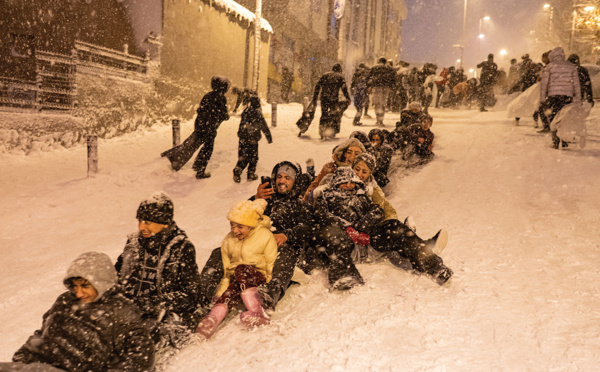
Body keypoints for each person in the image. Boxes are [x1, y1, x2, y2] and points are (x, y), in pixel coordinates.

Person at [197, 161, 314, 314]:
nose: (282, 181)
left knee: (287, 252)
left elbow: (308, 228)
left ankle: (268, 295)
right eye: (279, 177)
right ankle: (200, 295)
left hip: (278, 251)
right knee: (219, 252)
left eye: (288, 178)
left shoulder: (300, 205)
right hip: (254, 248)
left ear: (295, 182)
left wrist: (286, 235)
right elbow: (242, 217)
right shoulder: (266, 200)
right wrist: (256, 198)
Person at [8, 252, 154, 371]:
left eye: (85, 286)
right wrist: (24, 355)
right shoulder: (65, 300)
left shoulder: (121, 311)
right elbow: (43, 334)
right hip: (39, 365)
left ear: (102, 283)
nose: (78, 293)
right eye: (75, 286)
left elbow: (141, 357)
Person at [115, 191, 201, 350]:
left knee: (131, 342)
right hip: (129, 307)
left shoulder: (181, 247)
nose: (141, 227)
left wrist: (155, 304)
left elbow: (191, 293)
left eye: (147, 222)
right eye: (140, 221)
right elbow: (117, 276)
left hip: (161, 314)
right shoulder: (134, 243)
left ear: (165, 223)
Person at [350, 154, 453, 284]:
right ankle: (423, 251)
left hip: (373, 234)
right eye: (356, 169)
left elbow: (387, 209)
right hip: (359, 242)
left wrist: (389, 225)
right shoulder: (344, 186)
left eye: (364, 171)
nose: (359, 174)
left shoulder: (371, 188)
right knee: (397, 233)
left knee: (395, 229)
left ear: (370, 173)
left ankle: (425, 256)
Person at [195, 199, 278, 339]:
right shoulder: (228, 240)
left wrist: (268, 283)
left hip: (258, 276)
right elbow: (227, 272)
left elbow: (271, 262)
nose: (235, 230)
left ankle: (258, 312)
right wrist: (220, 294)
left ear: (250, 225)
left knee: (241, 269)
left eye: (240, 226)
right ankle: (212, 319)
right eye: (232, 225)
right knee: (231, 289)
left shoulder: (264, 236)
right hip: (239, 279)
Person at [161, 76, 230, 179]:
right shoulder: (220, 97)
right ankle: (199, 169)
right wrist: (224, 116)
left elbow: (201, 110)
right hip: (209, 126)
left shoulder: (208, 95)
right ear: (223, 87)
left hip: (201, 124)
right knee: (207, 148)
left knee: (192, 143)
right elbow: (222, 114)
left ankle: (173, 157)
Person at [539, 47, 581, 148]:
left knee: (554, 117)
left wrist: (542, 98)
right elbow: (576, 84)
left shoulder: (549, 67)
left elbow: (544, 84)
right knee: (564, 117)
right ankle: (564, 139)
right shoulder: (571, 67)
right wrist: (578, 98)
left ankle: (555, 141)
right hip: (567, 96)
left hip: (553, 96)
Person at [303, 137, 366, 201]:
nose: (352, 156)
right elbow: (314, 187)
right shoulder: (330, 167)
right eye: (349, 152)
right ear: (344, 153)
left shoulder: (363, 171)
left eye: (356, 154)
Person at [233, 96, 273, 183]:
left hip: (243, 139)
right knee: (253, 157)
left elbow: (241, 125)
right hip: (253, 140)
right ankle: (251, 173)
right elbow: (264, 126)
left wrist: (241, 135)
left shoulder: (246, 112)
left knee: (243, 156)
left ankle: (238, 169)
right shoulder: (258, 113)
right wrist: (269, 137)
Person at [312, 63, 351, 139]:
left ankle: (322, 131)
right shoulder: (340, 77)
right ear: (340, 70)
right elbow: (344, 89)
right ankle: (331, 131)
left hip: (324, 98)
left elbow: (317, 86)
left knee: (324, 114)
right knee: (334, 115)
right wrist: (348, 98)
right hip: (333, 99)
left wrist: (315, 97)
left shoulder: (325, 75)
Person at [368, 57, 397, 126]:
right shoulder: (390, 69)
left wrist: (370, 86)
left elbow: (368, 77)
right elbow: (393, 79)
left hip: (376, 87)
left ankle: (378, 119)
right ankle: (381, 120)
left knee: (377, 104)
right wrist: (391, 87)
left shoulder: (374, 68)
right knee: (383, 104)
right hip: (385, 88)